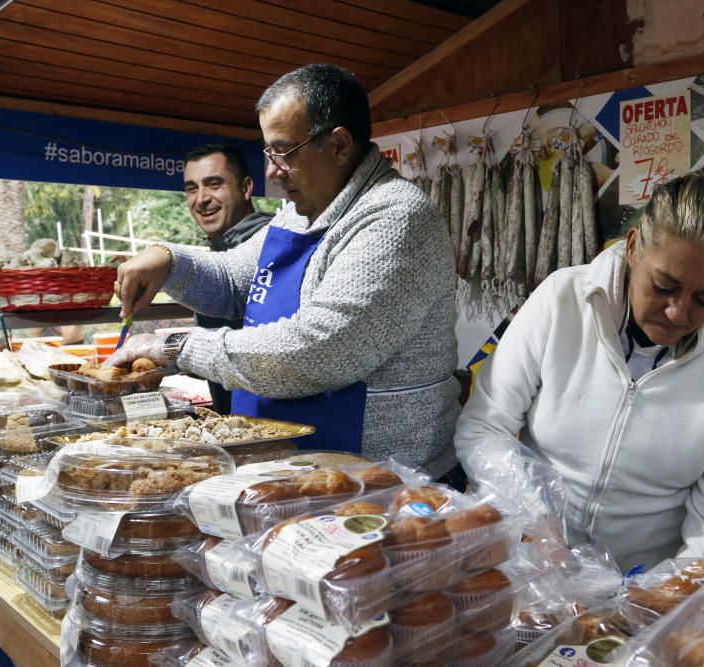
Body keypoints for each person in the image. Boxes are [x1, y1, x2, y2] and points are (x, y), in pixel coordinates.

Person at [106, 64, 461, 479]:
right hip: (288, 468)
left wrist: (176, 346)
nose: (272, 171)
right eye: (268, 153)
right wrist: (168, 260)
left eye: (284, 152)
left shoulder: (396, 217)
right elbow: (232, 281)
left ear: (340, 146)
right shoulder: (295, 214)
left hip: (386, 483)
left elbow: (318, 351)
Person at [454, 165, 704, 570]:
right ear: (634, 246)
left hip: (649, 585)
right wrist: (536, 524)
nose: (678, 313)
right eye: (664, 286)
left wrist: (661, 599)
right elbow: (484, 427)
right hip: (532, 562)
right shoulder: (562, 298)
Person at [182, 143, 272, 413]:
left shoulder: (272, 245)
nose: (201, 199)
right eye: (192, 188)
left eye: (214, 184)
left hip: (276, 426)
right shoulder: (216, 251)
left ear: (246, 188)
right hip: (233, 422)